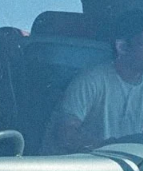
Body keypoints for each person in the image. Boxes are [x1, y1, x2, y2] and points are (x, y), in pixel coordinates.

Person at [53, 9, 143, 152]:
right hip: (91, 170)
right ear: (122, 47)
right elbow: (66, 136)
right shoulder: (91, 81)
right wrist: (108, 147)